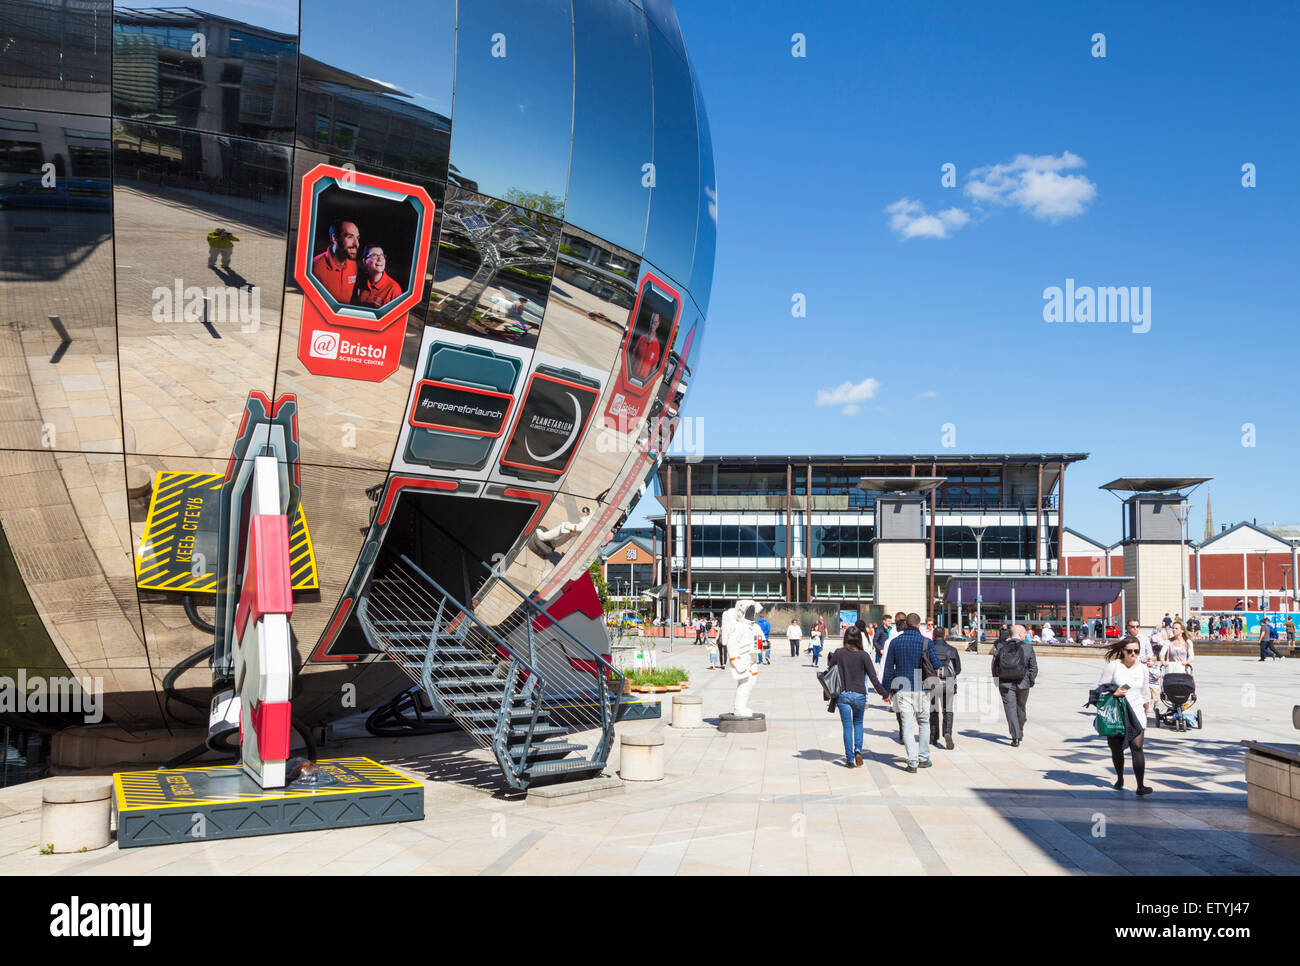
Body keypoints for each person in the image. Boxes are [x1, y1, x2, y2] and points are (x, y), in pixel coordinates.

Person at [880, 613, 941, 773]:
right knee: (924, 723)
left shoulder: (895, 642)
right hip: (922, 688)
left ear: (906, 624)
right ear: (919, 624)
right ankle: (923, 758)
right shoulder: (926, 642)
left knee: (907, 725)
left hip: (902, 689)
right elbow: (936, 664)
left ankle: (912, 761)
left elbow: (888, 669)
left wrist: (886, 691)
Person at [1095, 636, 1153, 796]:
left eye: (1136, 651)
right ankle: (1120, 778)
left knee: (1137, 747)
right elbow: (1100, 689)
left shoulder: (1142, 668)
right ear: (1123, 651)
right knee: (1116, 749)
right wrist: (1115, 692)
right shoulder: (1113, 666)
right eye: (1130, 651)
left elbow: (1145, 692)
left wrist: (1146, 712)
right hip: (1117, 713)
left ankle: (1140, 786)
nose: (1133, 654)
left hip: (1136, 712)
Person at [828, 624, 885, 767]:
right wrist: (884, 693)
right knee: (858, 723)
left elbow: (830, 669)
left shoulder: (839, 652)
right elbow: (873, 678)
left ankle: (849, 760)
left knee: (847, 727)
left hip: (843, 695)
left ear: (846, 638)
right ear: (859, 638)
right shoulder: (864, 655)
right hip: (860, 695)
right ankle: (858, 750)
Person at [991, 624, 1038, 747]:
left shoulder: (1001, 647)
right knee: (1021, 708)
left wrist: (996, 681)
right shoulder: (1028, 648)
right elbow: (1033, 667)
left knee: (1010, 710)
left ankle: (1015, 736)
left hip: (1005, 683)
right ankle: (1020, 728)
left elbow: (994, 665)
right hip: (1023, 683)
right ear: (1021, 634)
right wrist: (1030, 681)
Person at [927, 626, 961, 749]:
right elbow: (958, 669)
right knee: (948, 710)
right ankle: (947, 733)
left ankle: (933, 736)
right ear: (945, 635)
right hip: (949, 681)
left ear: (933, 636)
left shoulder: (928, 649)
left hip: (932, 682)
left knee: (933, 710)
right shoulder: (952, 649)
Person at [312, 219, 360, 303]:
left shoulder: (353, 265)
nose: (357, 244)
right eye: (350, 237)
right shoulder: (315, 267)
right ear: (335, 238)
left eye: (357, 238)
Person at [630, 312, 664, 381]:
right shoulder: (642, 338)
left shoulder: (657, 345)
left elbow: (653, 367)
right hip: (632, 377)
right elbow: (632, 357)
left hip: (643, 381)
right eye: (652, 321)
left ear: (658, 324)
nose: (652, 325)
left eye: (655, 322)